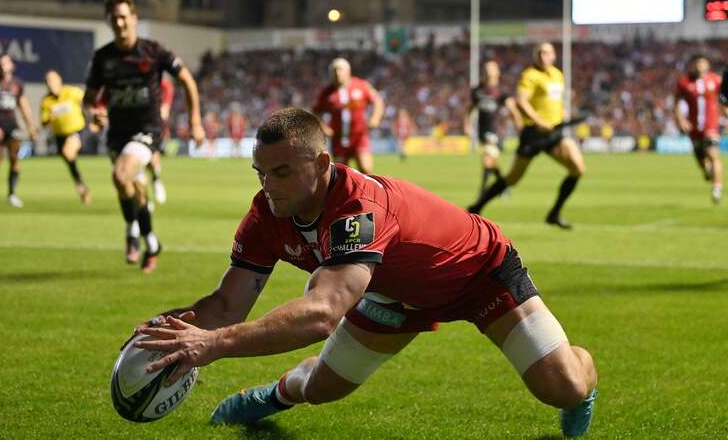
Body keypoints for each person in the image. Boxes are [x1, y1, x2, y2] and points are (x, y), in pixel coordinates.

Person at [132, 108, 599, 437]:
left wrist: (212, 345)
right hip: (392, 292)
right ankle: (271, 397)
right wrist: (175, 331)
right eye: (260, 173)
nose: (268, 187)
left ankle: (580, 377)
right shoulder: (265, 215)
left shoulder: (359, 209)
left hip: (479, 273)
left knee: (563, 388)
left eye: (281, 173)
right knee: (322, 390)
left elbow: (322, 314)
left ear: (319, 164)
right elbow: (227, 304)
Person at [84, 0, 205, 273]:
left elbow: (187, 80)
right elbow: (89, 99)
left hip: (147, 130)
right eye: (114, 19)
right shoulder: (103, 58)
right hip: (117, 134)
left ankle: (131, 231)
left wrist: (195, 121)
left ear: (134, 19)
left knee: (120, 175)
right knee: (133, 189)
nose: (120, 23)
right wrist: (94, 113)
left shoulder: (153, 51)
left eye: (125, 17)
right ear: (109, 22)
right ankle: (151, 242)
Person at [468, 43, 585, 230]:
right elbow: (521, 101)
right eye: (539, 52)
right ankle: (476, 207)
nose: (543, 55)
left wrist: (562, 116)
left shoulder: (558, 75)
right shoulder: (530, 75)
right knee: (512, 178)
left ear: (554, 55)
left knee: (578, 168)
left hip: (555, 132)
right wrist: (538, 121)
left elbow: (555, 102)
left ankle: (554, 213)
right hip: (534, 133)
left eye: (546, 52)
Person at [0, 54, 38, 208]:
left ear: (12, 65)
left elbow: (24, 107)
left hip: (12, 127)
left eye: (5, 63)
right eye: (0, 63)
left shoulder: (17, 84)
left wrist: (31, 126)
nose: (2, 65)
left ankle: (12, 194)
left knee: (15, 160)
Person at [313, 58, 384, 174]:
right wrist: (323, 128)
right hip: (338, 139)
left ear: (348, 71)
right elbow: (315, 112)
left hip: (359, 137)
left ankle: (367, 192)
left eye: (340, 70)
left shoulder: (361, 85)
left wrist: (375, 118)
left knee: (366, 169)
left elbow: (377, 101)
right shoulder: (326, 93)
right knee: (343, 175)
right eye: (334, 71)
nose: (337, 73)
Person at [465, 60, 522, 197]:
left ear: (497, 72)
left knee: (487, 160)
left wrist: (520, 128)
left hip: (497, 131)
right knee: (492, 163)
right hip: (482, 131)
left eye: (491, 68)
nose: (488, 71)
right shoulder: (477, 90)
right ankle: (504, 186)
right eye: (486, 68)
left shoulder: (502, 90)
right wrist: (466, 124)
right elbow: (470, 108)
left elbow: (513, 110)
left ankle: (483, 191)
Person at [674, 55, 724, 203]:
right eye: (696, 64)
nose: (699, 67)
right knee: (700, 158)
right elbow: (677, 102)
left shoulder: (715, 80)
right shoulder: (684, 82)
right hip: (694, 127)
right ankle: (707, 170)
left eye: (702, 63)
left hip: (712, 125)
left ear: (707, 65)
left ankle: (717, 188)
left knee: (713, 153)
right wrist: (681, 119)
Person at [40, 69, 91, 204]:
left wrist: (91, 116)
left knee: (68, 152)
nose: (50, 83)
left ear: (59, 80)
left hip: (77, 131)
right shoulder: (47, 101)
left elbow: (88, 100)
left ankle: (82, 186)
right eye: (47, 81)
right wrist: (49, 118)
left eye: (52, 80)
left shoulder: (71, 92)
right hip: (60, 136)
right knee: (70, 163)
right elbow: (43, 122)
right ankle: (82, 187)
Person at [148, 76, 174, 205]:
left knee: (152, 161)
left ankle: (155, 179)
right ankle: (143, 204)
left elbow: (164, 111)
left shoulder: (164, 84)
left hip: (150, 123)